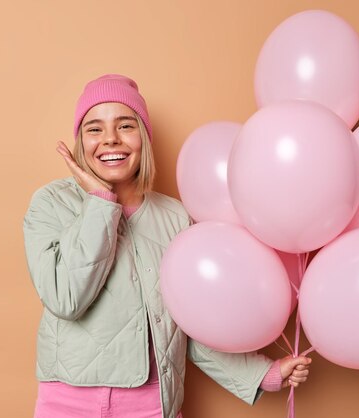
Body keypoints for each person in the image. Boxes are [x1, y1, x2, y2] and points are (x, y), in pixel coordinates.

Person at [23, 74, 311, 418]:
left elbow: (189, 320)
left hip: (152, 403)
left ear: (143, 137)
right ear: (80, 141)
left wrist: (260, 374)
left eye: (126, 126)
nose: (110, 140)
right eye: (95, 129)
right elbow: (66, 298)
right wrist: (100, 202)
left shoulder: (174, 217)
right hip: (68, 402)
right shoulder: (51, 204)